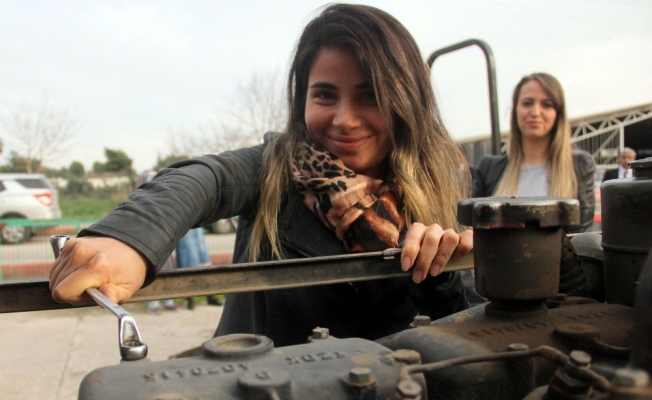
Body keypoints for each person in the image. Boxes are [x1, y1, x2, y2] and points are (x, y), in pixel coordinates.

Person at [49, 4, 473, 347]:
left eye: (371, 97)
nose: (345, 120)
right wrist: (130, 238)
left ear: (406, 101)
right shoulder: (276, 168)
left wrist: (441, 275)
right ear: (301, 98)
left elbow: (469, 330)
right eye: (325, 94)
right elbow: (207, 179)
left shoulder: (440, 191)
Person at [471, 72, 595, 234]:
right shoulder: (489, 168)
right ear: (515, 110)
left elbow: (581, 239)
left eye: (547, 104)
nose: (535, 112)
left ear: (558, 114)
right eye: (527, 103)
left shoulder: (580, 166)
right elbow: (471, 230)